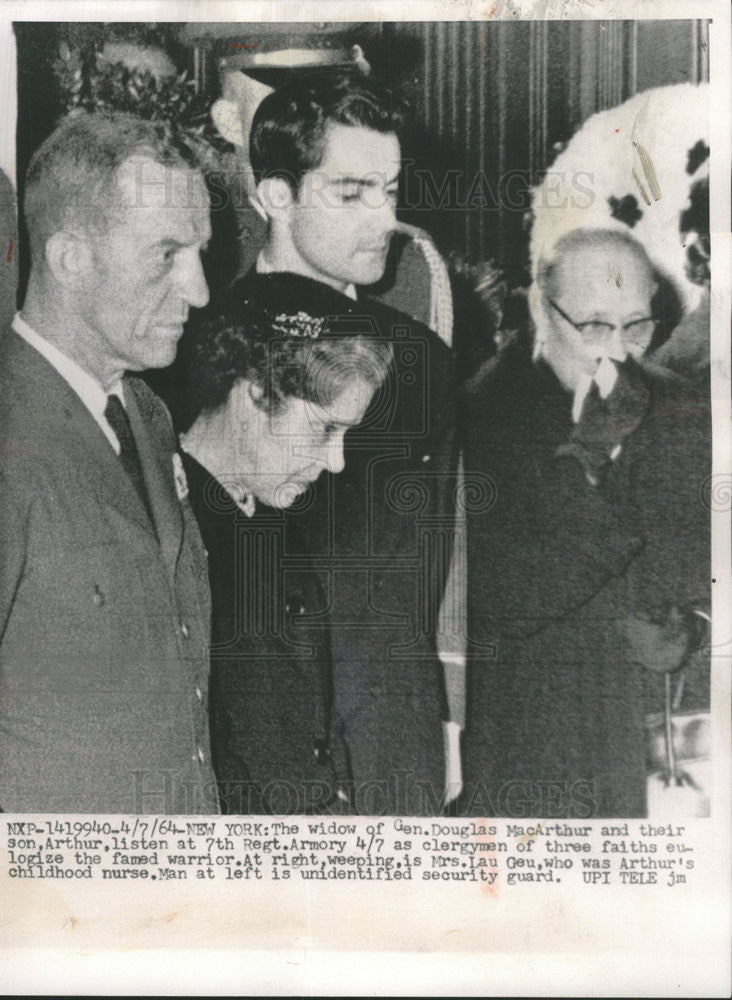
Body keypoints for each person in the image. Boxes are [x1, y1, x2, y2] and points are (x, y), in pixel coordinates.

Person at [225, 71, 457, 814]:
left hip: (397, 761)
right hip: (256, 771)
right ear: (275, 196)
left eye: (390, 191)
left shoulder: (422, 362)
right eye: (351, 193)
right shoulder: (193, 353)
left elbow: (431, 569)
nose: (382, 218)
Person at [0, 110, 218, 814]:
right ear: (70, 259)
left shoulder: (145, 413)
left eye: (199, 251)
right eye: (166, 255)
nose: (200, 291)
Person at [460, 227, 710, 818]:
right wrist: (594, 448)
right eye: (595, 326)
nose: (620, 353)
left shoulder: (682, 405)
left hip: (656, 745)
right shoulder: (481, 413)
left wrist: (693, 626)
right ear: (538, 310)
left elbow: (706, 558)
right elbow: (504, 596)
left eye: (638, 326)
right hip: (535, 747)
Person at [179, 310, 392, 814]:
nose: (337, 461)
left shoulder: (276, 519)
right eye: (324, 430)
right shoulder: (167, 521)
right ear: (253, 392)